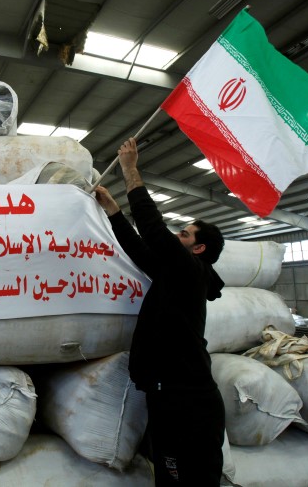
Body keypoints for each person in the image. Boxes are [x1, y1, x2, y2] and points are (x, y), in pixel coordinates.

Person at [94, 137, 226, 485]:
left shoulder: (191, 271)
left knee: (188, 477)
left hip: (189, 402)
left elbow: (153, 230)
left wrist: (130, 170)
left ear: (198, 248)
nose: (176, 237)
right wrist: (112, 211)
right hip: (172, 394)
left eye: (183, 234)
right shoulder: (177, 275)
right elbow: (141, 250)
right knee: (170, 474)